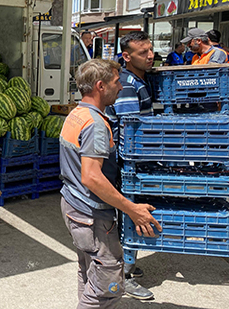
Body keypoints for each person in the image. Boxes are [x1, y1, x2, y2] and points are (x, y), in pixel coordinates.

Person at [60, 59, 161, 309]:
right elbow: (92, 177)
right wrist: (131, 208)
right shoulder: (95, 124)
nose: (121, 87)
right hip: (91, 214)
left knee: (90, 274)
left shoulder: (76, 114)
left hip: (74, 207)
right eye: (117, 82)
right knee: (106, 289)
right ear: (100, 86)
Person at [105, 31, 154, 300]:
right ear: (127, 56)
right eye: (142, 52)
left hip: (134, 160)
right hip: (128, 162)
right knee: (131, 214)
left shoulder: (137, 79)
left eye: (150, 50)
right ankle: (123, 276)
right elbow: (130, 132)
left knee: (131, 215)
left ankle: (127, 266)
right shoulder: (125, 85)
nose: (150, 56)